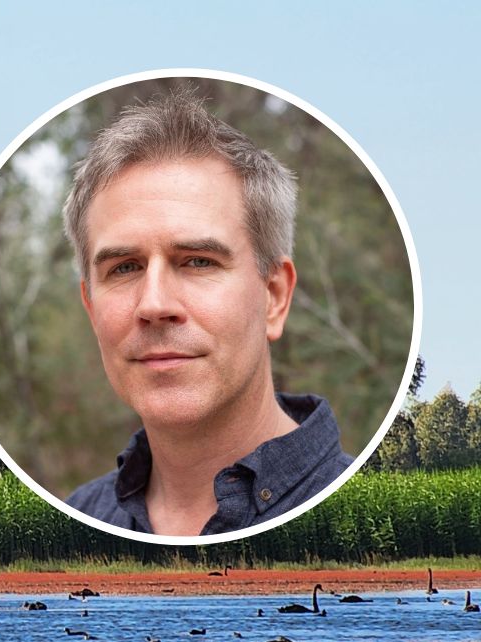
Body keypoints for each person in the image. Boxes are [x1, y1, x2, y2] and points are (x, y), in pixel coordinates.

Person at [62, 88, 351, 536]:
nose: (155, 304)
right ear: (91, 308)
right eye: (124, 268)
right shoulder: (78, 518)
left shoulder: (367, 511)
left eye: (198, 261)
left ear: (274, 296)